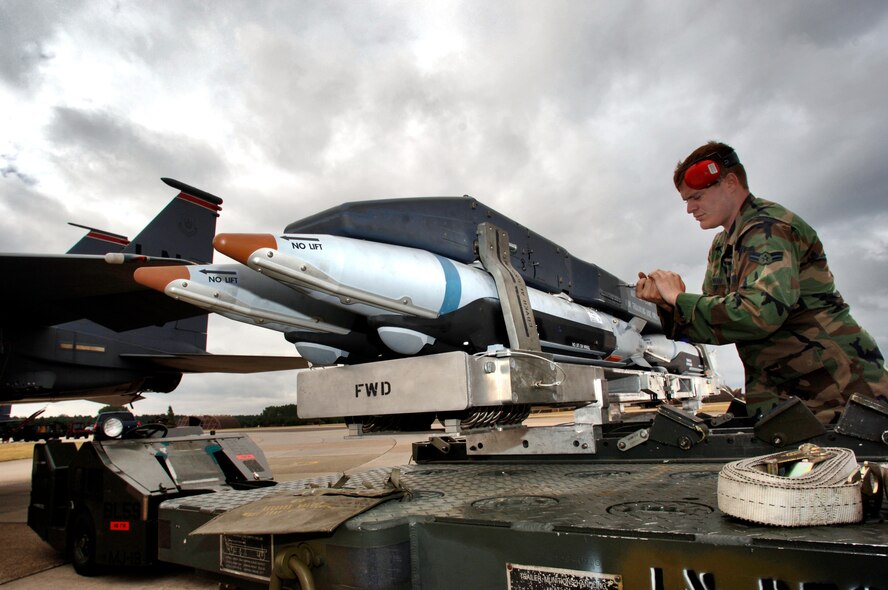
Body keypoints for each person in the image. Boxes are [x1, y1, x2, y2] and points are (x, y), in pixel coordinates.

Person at [636, 141, 888, 423]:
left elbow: (760, 314)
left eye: (697, 197)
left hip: (839, 392)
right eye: (686, 201)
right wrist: (668, 304)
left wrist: (679, 299)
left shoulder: (768, 228)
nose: (690, 209)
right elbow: (721, 325)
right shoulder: (723, 245)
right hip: (788, 396)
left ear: (730, 183)